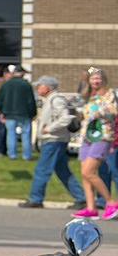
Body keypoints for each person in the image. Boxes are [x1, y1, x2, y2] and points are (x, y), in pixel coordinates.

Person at [21, 76, 86, 208]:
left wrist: (49, 129)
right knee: (63, 171)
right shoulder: (50, 100)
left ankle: (36, 199)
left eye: (40, 85)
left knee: (42, 169)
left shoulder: (56, 100)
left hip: (54, 140)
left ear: (48, 87)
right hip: (55, 140)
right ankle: (81, 198)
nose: (38, 88)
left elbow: (65, 118)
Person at [73, 67, 118, 220]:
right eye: (93, 78)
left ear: (103, 79)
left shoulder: (110, 94)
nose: (96, 81)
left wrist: (102, 111)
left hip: (103, 136)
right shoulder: (86, 96)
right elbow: (83, 114)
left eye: (98, 78)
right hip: (87, 137)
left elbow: (114, 111)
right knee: (84, 173)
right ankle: (91, 207)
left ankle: (111, 203)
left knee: (89, 172)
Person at [0, 65, 35, 160]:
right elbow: (31, 101)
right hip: (24, 113)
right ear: (21, 73)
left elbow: (1, 99)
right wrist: (33, 113)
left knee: (11, 134)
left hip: (9, 113)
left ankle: (12, 155)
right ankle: (27, 155)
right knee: (26, 134)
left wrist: (2, 112)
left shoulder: (6, 84)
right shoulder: (26, 85)